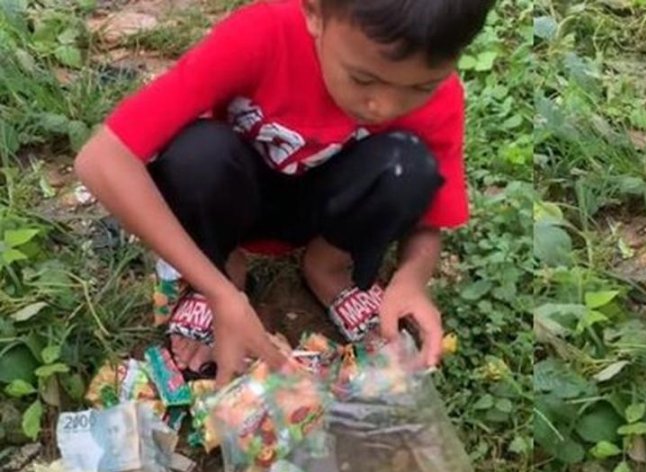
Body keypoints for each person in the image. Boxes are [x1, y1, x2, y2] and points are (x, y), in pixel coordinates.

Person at [74, 0, 496, 385]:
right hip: (238, 191)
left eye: (420, 88)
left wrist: (412, 277)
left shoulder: (439, 96)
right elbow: (102, 159)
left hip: (327, 206)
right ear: (315, 13)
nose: (384, 106)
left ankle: (329, 266)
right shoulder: (261, 35)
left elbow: (429, 218)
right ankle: (219, 270)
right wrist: (221, 295)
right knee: (198, 156)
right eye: (363, 78)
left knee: (410, 166)